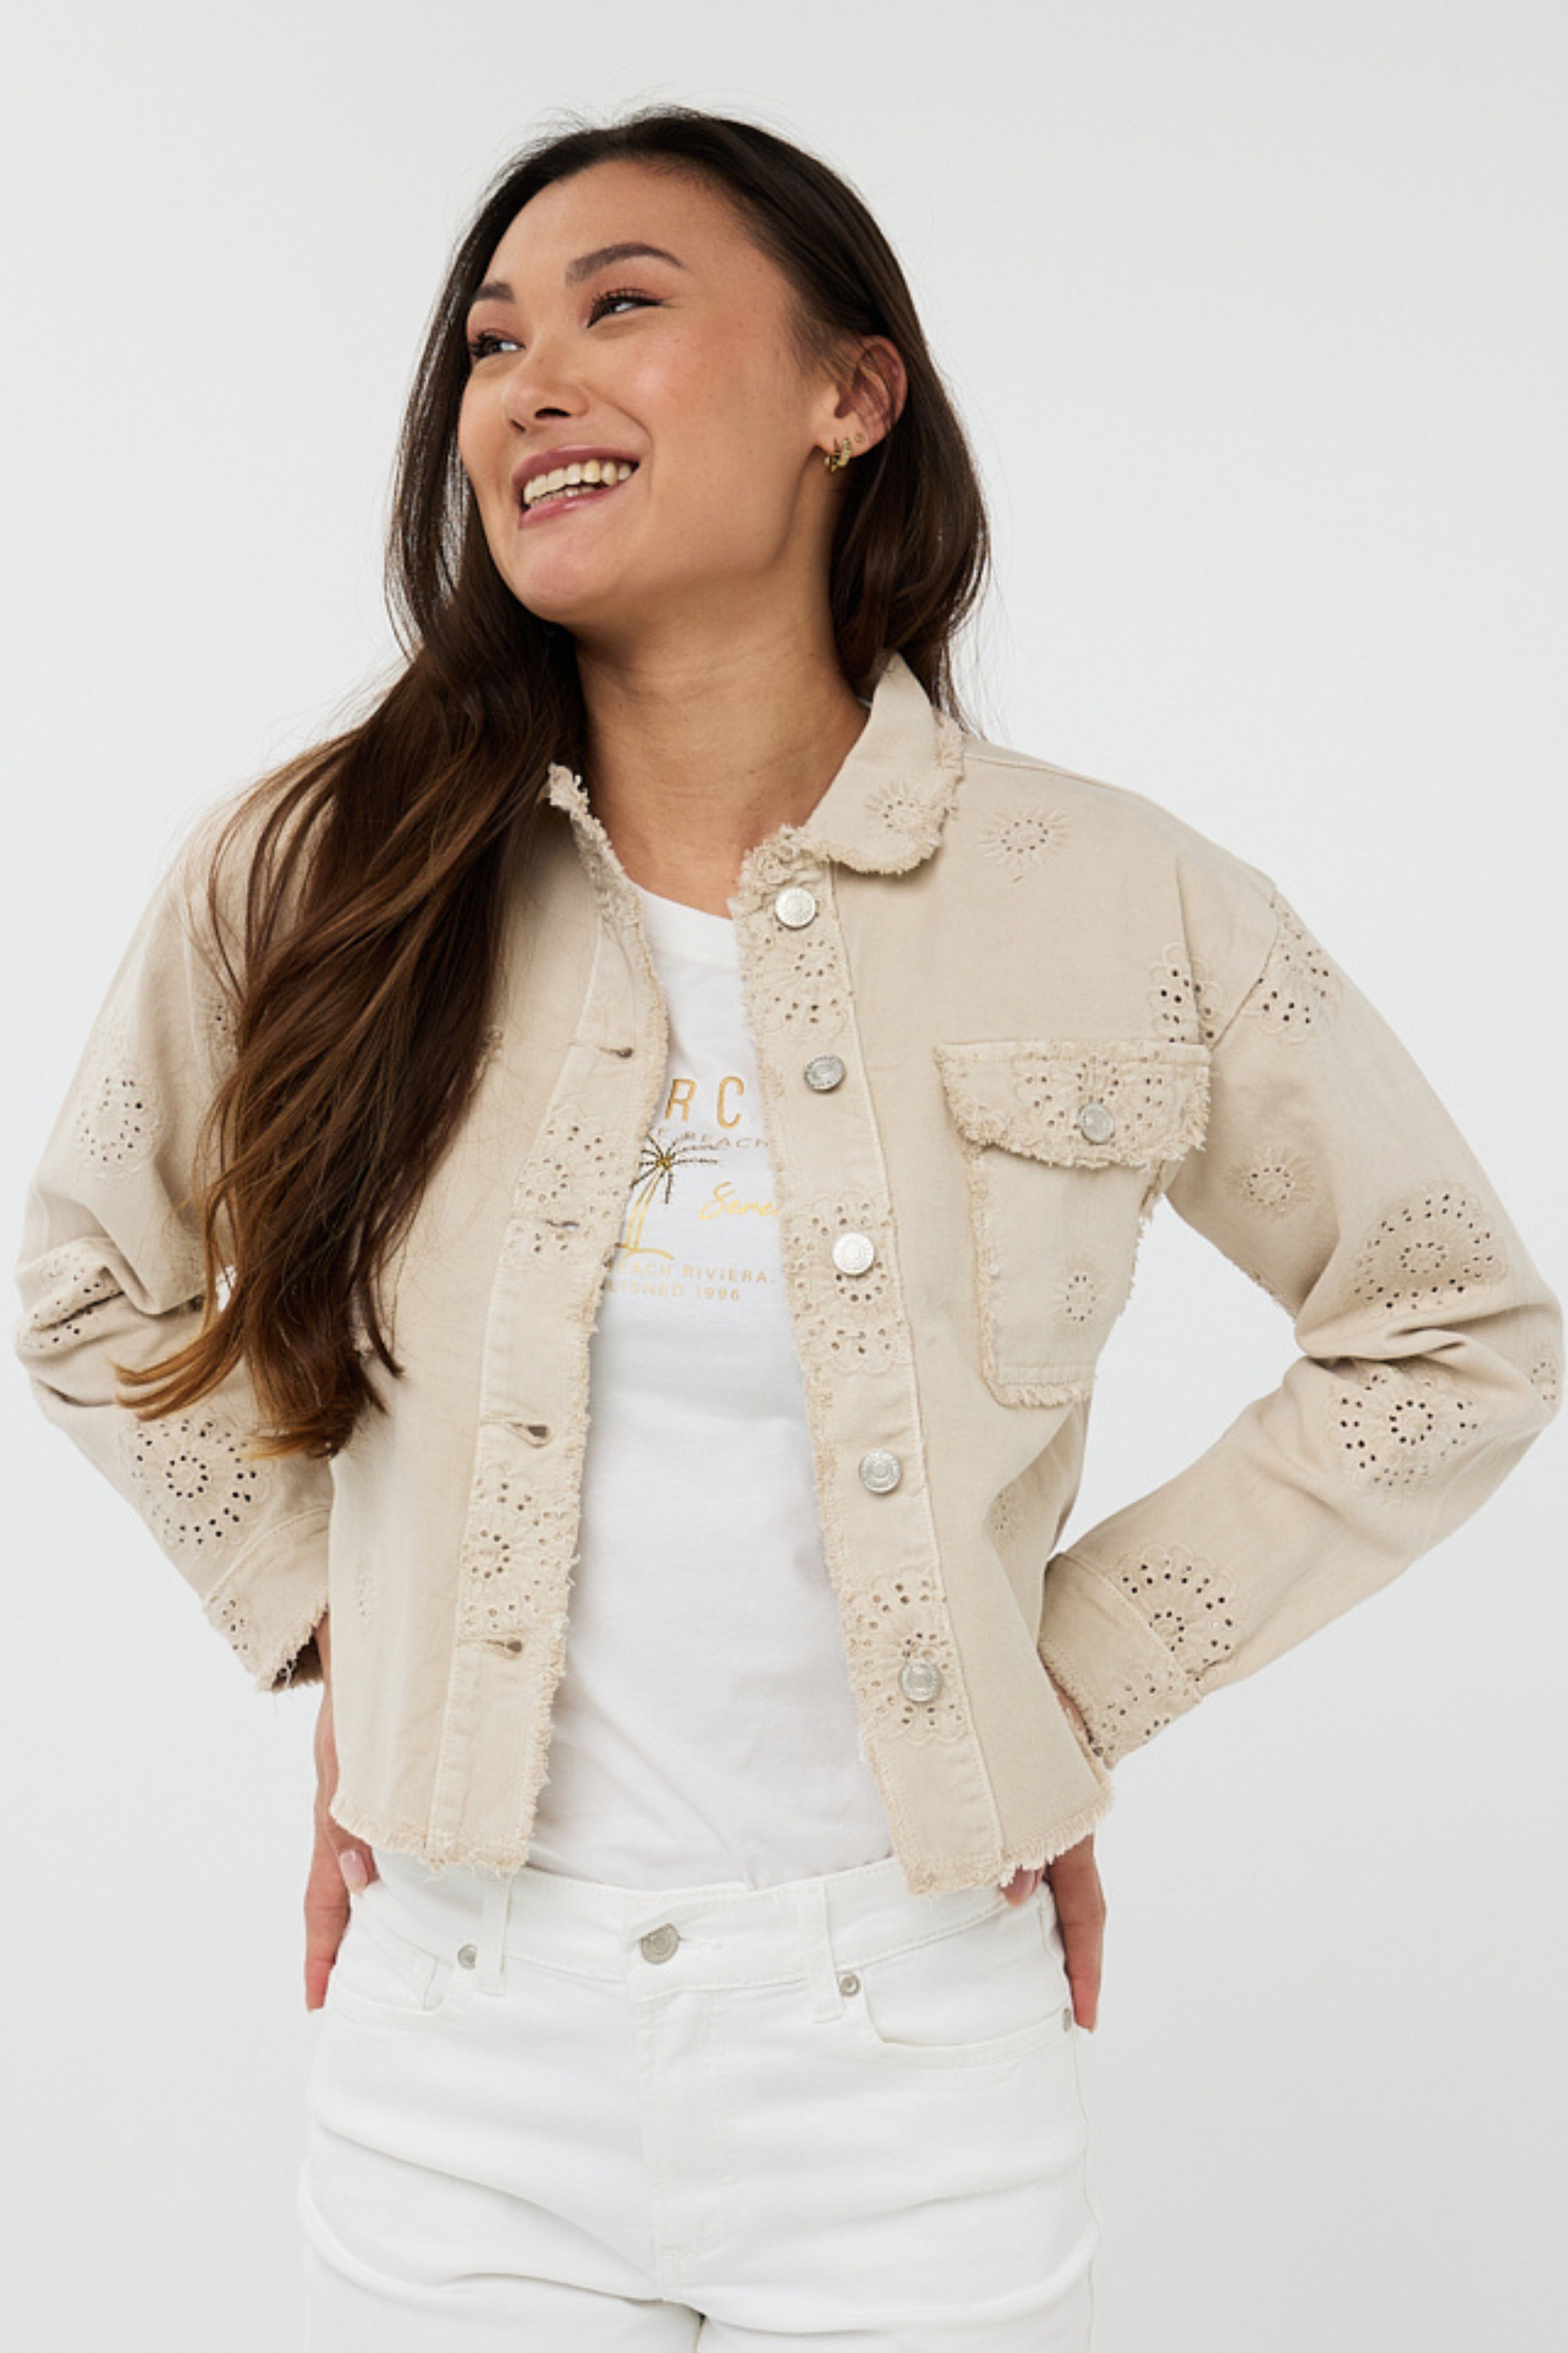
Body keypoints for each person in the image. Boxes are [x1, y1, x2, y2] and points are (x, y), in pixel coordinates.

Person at [13, 103, 1560, 2353]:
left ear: (852, 392)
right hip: (457, 2051)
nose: (528, 383)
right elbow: (88, 1276)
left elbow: (1451, 1322)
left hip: (915, 2056)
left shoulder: (1122, 900)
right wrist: (343, 1624)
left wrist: (1056, 1686)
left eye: (619, 307)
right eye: (489, 344)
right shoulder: (318, 869)